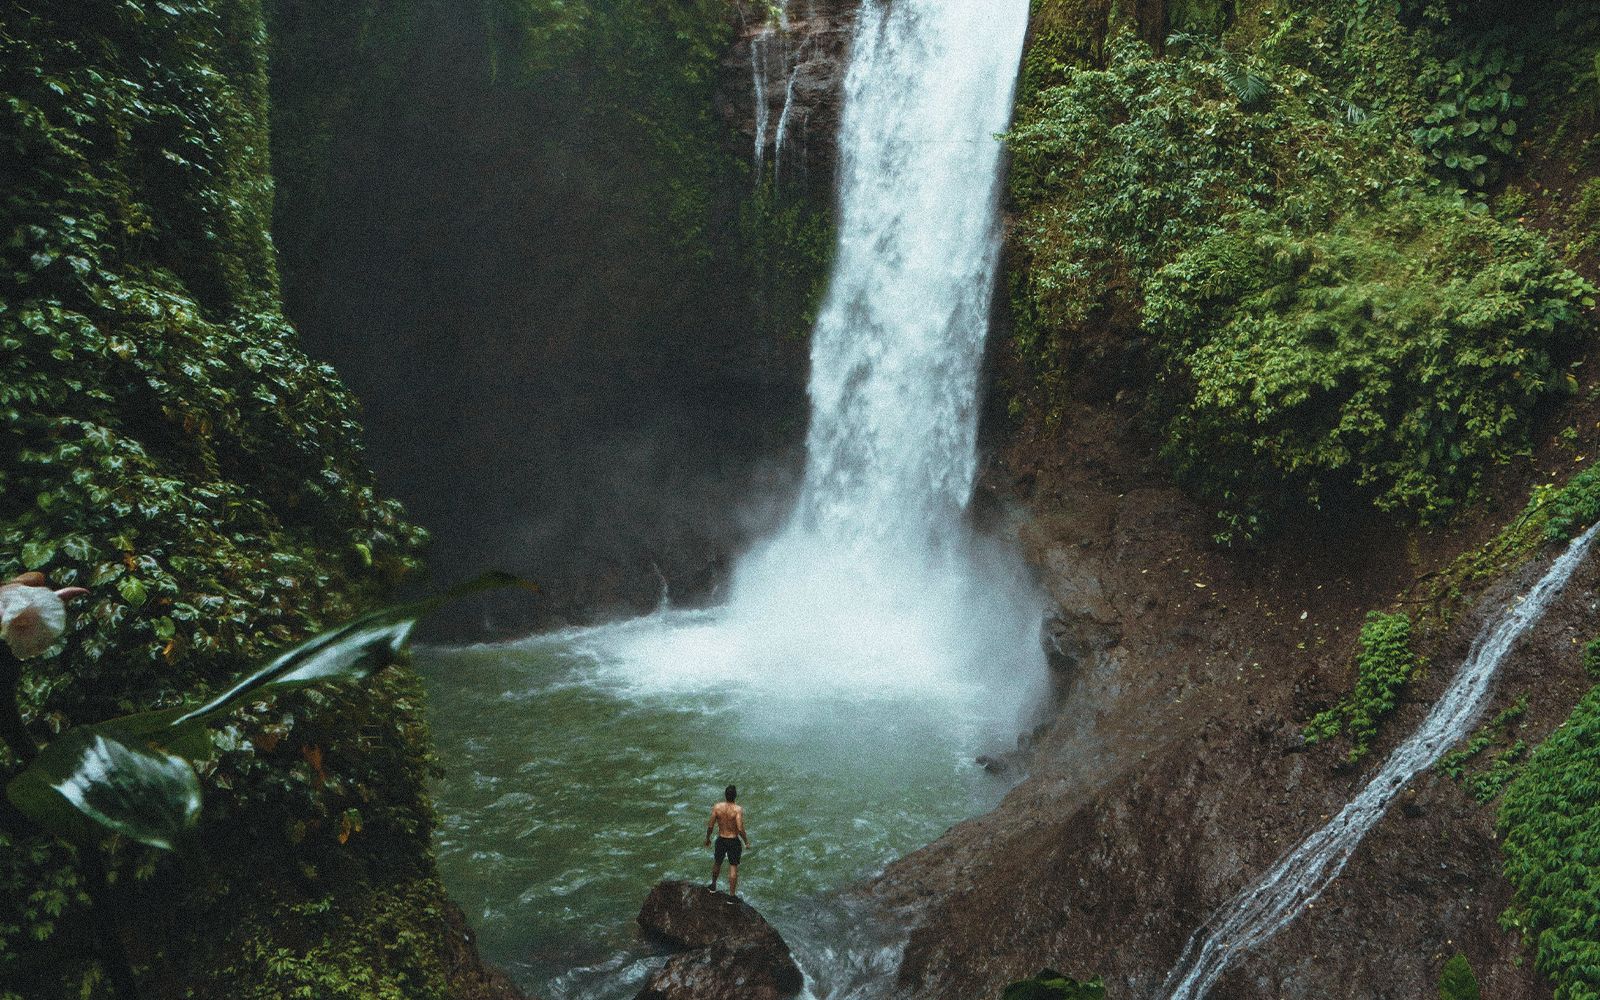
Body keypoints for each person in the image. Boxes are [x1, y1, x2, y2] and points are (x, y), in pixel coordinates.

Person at [704, 783, 750, 896]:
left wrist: (707, 838)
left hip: (721, 839)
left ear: (725, 795)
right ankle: (732, 896)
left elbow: (710, 825)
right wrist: (746, 842)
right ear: (735, 796)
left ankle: (713, 885)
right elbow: (739, 828)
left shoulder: (717, 807)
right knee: (733, 866)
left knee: (717, 862)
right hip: (733, 840)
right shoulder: (737, 809)